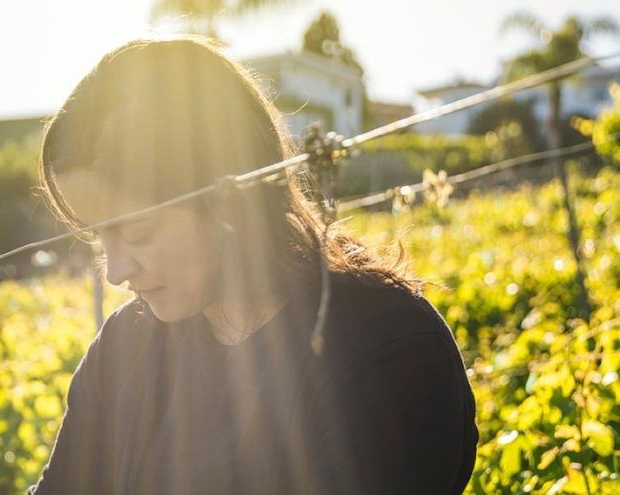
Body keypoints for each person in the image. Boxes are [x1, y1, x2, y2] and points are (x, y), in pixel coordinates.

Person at [27, 36, 478, 494]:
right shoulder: (125, 349)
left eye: (138, 233)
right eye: (97, 237)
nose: (116, 271)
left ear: (229, 194)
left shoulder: (387, 346)